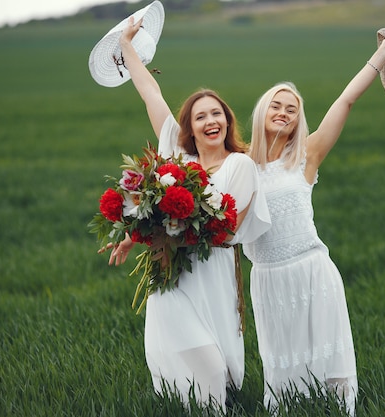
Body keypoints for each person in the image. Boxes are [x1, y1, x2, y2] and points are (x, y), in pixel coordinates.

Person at [106, 16, 270, 411]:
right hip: (172, 276)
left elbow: (226, 227)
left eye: (217, 114)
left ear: (227, 121)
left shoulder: (240, 166)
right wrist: (127, 46)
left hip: (212, 273)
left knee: (217, 368)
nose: (210, 121)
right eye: (201, 117)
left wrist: (158, 230)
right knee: (197, 368)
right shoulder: (177, 158)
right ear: (190, 128)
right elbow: (151, 94)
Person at [242, 32, 385, 415]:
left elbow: (345, 101)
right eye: (276, 106)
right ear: (262, 112)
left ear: (299, 120)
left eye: (291, 109)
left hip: (313, 271)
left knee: (331, 367)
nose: (283, 112)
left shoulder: (306, 156)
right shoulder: (239, 164)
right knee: (281, 369)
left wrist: (379, 56)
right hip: (268, 278)